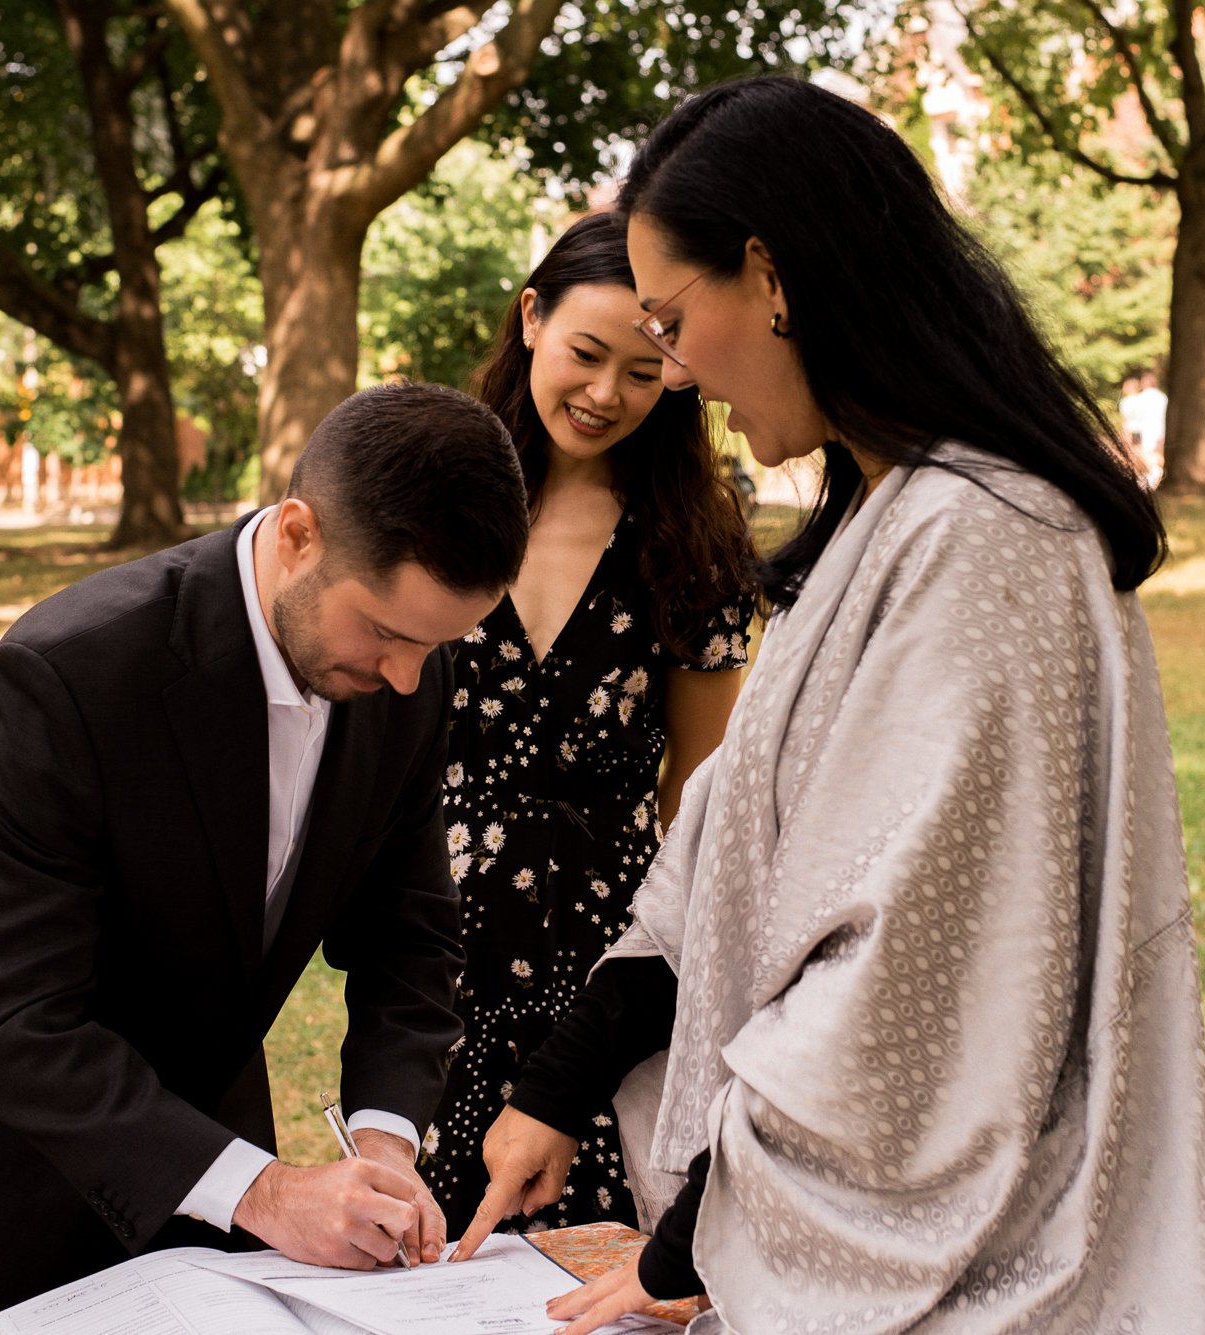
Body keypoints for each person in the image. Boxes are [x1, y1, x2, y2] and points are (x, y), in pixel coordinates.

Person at [454, 76, 1205, 1335]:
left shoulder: (985, 539)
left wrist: (691, 1240)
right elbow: (726, 857)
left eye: (669, 317)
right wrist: (565, 1078)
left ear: (769, 278)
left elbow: (909, 975)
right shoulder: (890, 520)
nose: (669, 367)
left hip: (990, 1268)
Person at [0, 383, 531, 1333]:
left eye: (436, 643)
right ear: (297, 535)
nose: (407, 677)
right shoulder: (62, 676)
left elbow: (409, 939)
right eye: (386, 632)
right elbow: (15, 1019)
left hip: (207, 1133)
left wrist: (386, 1140)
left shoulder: (412, 669)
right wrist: (272, 1193)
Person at [426, 213, 757, 1236]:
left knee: (592, 1258)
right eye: (584, 353)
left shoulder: (690, 542)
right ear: (530, 318)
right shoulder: (429, 499)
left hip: (600, 966)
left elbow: (692, 802)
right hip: (434, 957)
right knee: (432, 1263)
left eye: (643, 369)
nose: (605, 393)